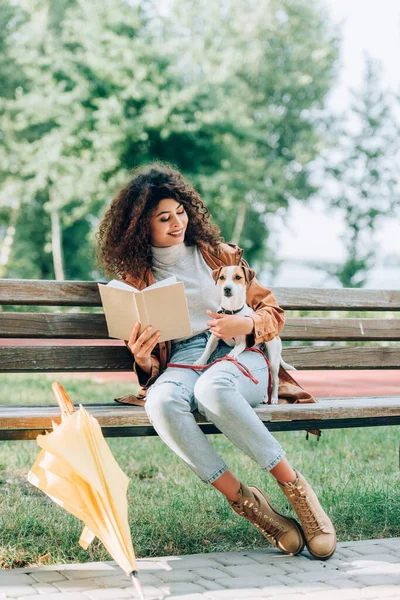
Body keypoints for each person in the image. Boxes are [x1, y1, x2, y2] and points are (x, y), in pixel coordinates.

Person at [96, 161, 336, 560]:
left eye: (181, 212)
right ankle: (251, 506)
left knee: (213, 388)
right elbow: (150, 365)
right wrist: (140, 358)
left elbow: (272, 312)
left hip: (244, 352)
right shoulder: (137, 277)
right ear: (142, 226)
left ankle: (298, 492)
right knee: (160, 401)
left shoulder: (218, 254)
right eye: (164, 218)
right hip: (188, 357)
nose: (177, 223)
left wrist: (246, 323)